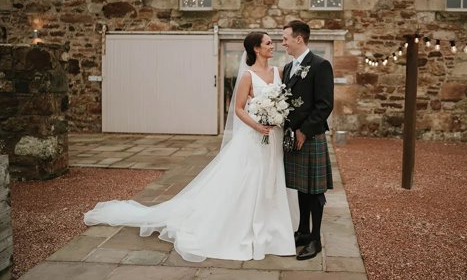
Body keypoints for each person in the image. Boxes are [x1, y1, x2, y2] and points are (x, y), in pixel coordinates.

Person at [84, 31, 296, 262]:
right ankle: (244, 224)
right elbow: (238, 109)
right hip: (255, 137)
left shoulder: (279, 72)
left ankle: (274, 226)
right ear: (256, 48)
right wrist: (257, 125)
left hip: (273, 137)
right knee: (251, 178)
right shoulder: (248, 76)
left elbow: (282, 101)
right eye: (267, 43)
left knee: (272, 177)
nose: (272, 46)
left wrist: (277, 118)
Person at [282, 20, 334, 261]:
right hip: (293, 136)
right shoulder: (288, 67)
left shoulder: (321, 65)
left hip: (310, 137)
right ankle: (303, 231)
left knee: (314, 190)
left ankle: (315, 239)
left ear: (299, 39)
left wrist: (304, 131)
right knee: (302, 189)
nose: (283, 42)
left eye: (286, 38)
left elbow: (324, 105)